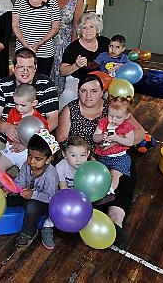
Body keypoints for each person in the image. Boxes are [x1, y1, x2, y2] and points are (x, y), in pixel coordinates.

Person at [55, 74, 145, 249]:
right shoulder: (70, 109)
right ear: (78, 92)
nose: (88, 95)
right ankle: (84, 219)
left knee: (124, 176)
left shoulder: (113, 109)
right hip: (82, 159)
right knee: (90, 185)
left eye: (94, 91)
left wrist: (118, 140)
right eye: (83, 91)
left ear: (102, 92)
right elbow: (61, 138)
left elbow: (140, 133)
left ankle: (116, 222)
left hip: (110, 155)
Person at [0, 48, 58, 185]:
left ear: (35, 68)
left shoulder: (47, 85)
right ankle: (15, 187)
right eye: (21, 67)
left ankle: (24, 188)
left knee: (39, 177)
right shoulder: (2, 85)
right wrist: (5, 126)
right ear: (13, 68)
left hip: (37, 141)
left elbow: (53, 121)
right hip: (7, 141)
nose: (25, 72)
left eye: (29, 67)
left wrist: (27, 142)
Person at [7, 129, 59, 248]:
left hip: (42, 204)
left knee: (32, 206)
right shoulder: (27, 165)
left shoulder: (51, 174)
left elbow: (51, 198)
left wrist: (33, 195)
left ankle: (28, 233)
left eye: (38, 159)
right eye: (29, 156)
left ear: (48, 159)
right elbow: (19, 181)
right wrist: (12, 188)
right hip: (25, 196)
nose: (31, 161)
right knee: (7, 198)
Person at [12, 0, 61, 76]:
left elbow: (55, 27)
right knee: (23, 82)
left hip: (44, 53)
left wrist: (39, 43)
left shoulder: (52, 2)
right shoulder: (20, 0)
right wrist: (25, 44)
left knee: (41, 83)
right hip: (23, 51)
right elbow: (15, 25)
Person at [0, 84, 49, 173]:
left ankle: (19, 185)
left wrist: (25, 145)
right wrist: (11, 137)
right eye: (16, 104)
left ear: (34, 103)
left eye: (23, 105)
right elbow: (9, 131)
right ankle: (10, 187)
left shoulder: (39, 120)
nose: (19, 108)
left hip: (27, 153)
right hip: (12, 149)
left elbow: (43, 140)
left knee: (28, 175)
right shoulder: (13, 112)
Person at [59, 13, 110, 105]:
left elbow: (118, 55)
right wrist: (76, 65)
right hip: (78, 79)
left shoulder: (105, 42)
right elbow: (62, 71)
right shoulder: (73, 47)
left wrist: (118, 65)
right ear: (80, 30)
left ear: (97, 29)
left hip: (102, 79)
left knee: (110, 95)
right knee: (68, 94)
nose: (88, 31)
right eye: (84, 27)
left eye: (91, 27)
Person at [93, 96, 135, 203]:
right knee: (101, 175)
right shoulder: (103, 123)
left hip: (120, 157)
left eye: (118, 117)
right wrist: (101, 136)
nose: (113, 120)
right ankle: (96, 191)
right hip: (103, 157)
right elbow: (95, 137)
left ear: (127, 116)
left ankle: (109, 192)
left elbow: (130, 142)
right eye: (110, 115)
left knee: (114, 175)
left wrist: (117, 138)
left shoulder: (126, 127)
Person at [50, 0, 84, 94]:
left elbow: (76, 26)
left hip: (66, 42)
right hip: (48, 41)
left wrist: (72, 49)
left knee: (61, 73)